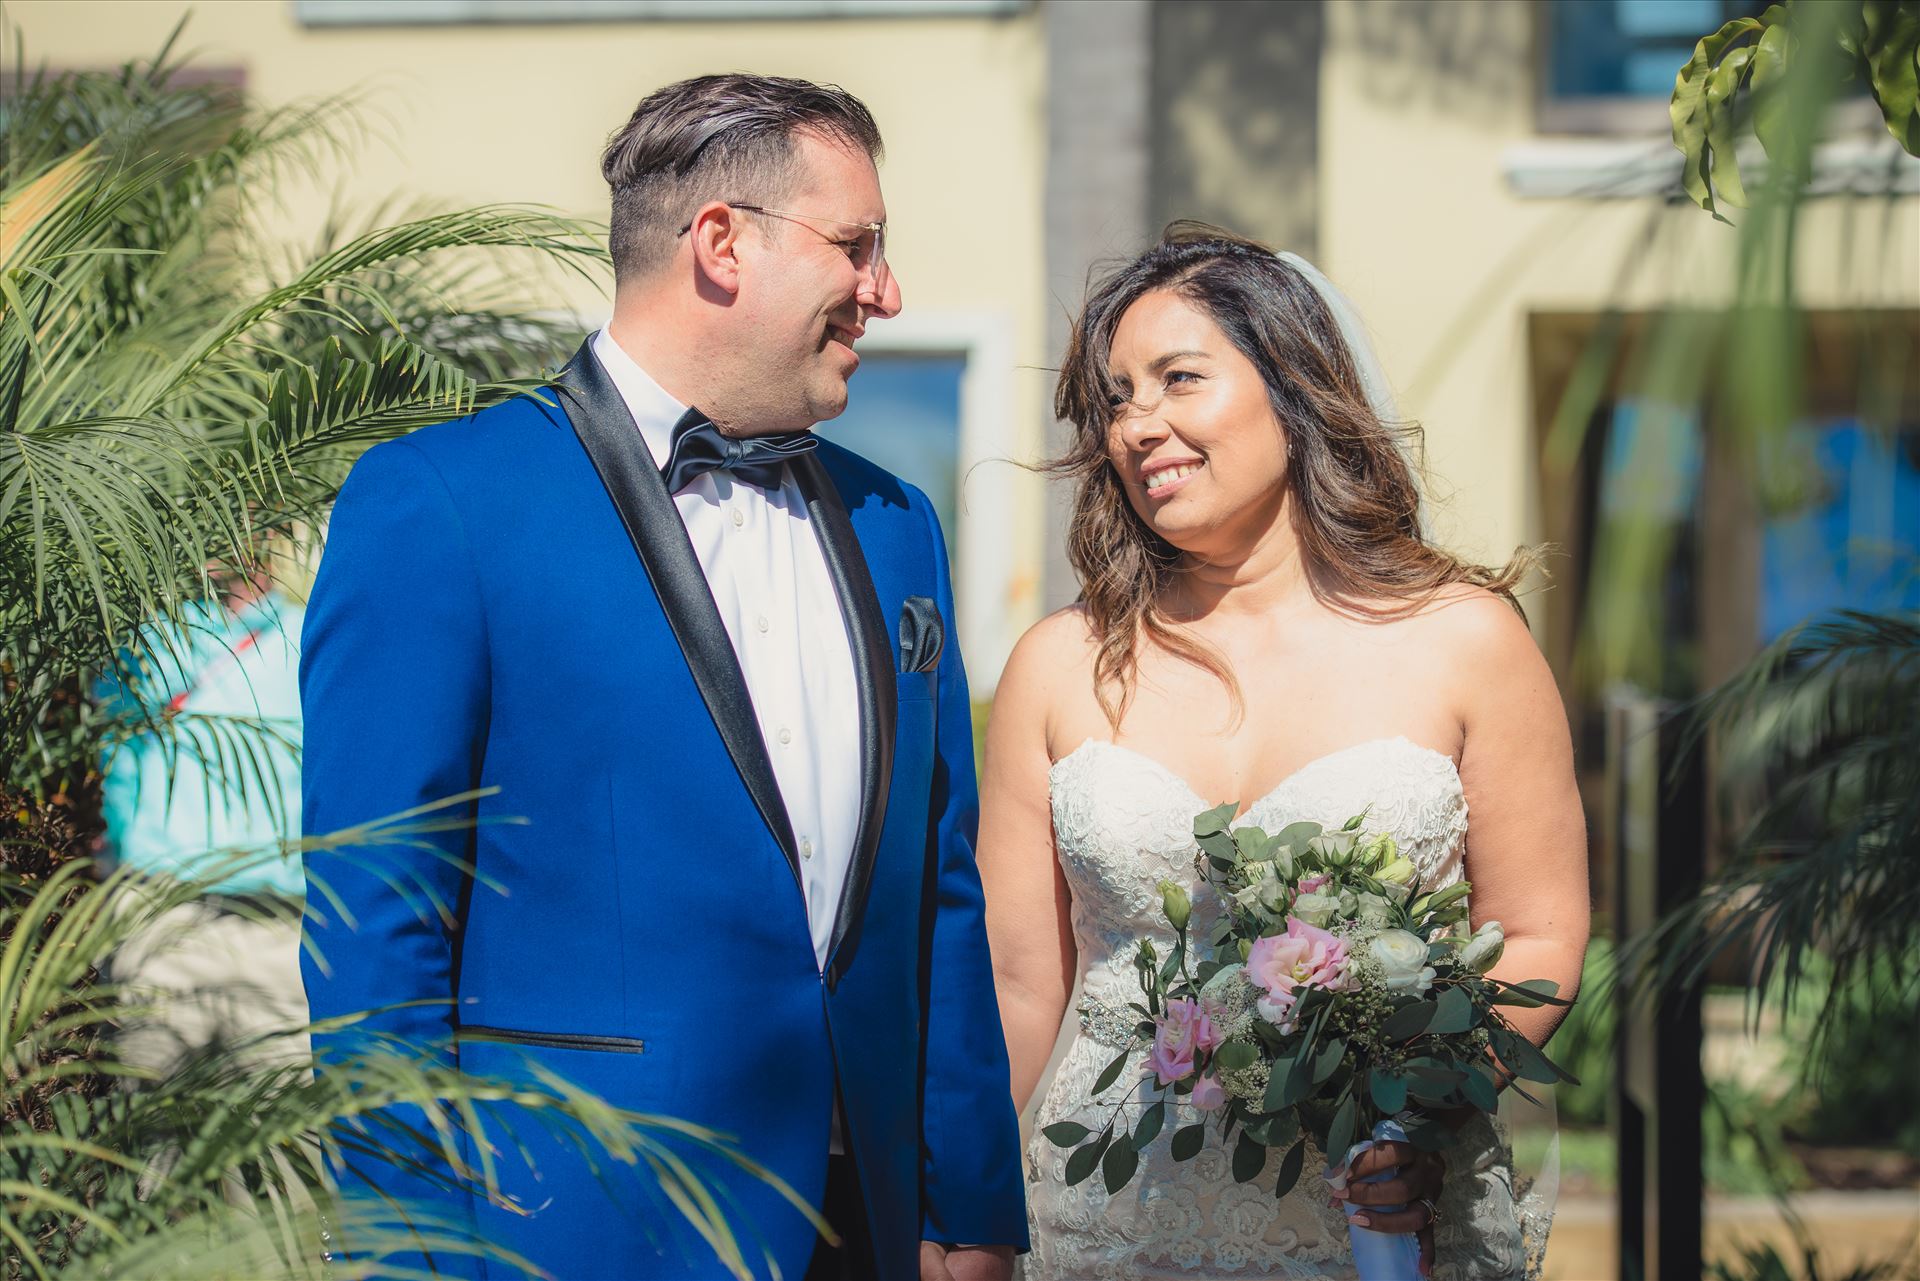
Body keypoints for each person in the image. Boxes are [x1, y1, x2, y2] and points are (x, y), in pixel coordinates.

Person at [299, 74, 1026, 1281]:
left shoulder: (897, 523)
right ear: (722, 244)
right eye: (857, 246)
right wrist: (407, 1258)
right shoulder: (439, 506)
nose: (884, 291)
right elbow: (376, 931)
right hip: (578, 1234)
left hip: (880, 1237)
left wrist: (973, 1203)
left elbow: (936, 895)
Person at [978, 226, 1588, 1279]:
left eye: (1179, 379)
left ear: (1294, 387)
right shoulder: (1059, 664)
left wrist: (1422, 1112)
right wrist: (963, 1206)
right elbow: (1017, 983)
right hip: (1111, 1216)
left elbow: (1536, 933)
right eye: (1118, 396)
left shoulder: (1466, 639)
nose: (1138, 425)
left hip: (1383, 1211)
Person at [97, 579, 308, 1079]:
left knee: (285, 1135)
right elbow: (104, 756)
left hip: (277, 931)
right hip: (160, 919)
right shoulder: (136, 635)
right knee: (156, 1135)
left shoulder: (306, 632)